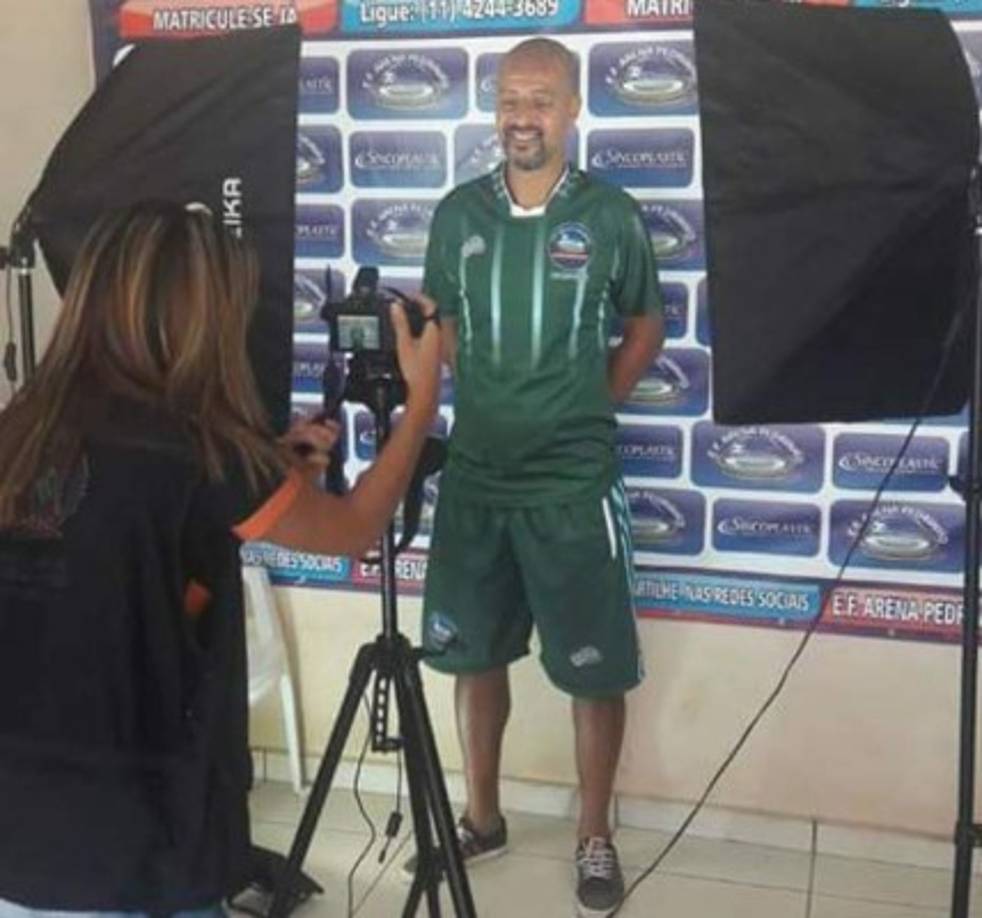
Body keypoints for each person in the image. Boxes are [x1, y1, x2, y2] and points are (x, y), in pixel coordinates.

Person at [0, 202, 440, 916]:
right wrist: (422, 404)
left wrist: (266, 467)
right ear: (198, 319)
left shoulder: (20, 429)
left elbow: (114, 517)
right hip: (139, 833)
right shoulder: (201, 453)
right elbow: (355, 529)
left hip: (20, 830)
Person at [404, 36, 666, 917]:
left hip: (572, 489)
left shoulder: (612, 215)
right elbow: (434, 328)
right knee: (474, 658)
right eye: (510, 99)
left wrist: (589, 405)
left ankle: (594, 834)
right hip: (476, 481)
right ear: (495, 109)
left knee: (595, 674)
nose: (523, 115)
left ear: (573, 109)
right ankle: (482, 816)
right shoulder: (456, 216)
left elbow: (645, 326)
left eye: (541, 99)